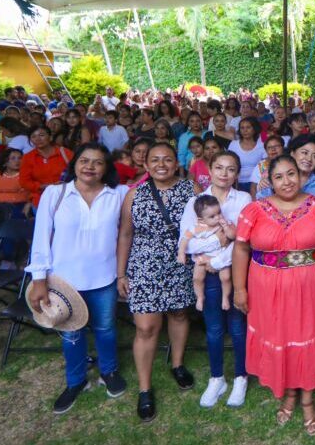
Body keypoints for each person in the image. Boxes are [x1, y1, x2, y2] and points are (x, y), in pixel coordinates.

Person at [231, 154, 315, 436]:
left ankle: (307, 400)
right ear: (269, 181)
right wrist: (239, 288)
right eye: (279, 176)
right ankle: (289, 394)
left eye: (291, 173)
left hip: (313, 287)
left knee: (307, 334)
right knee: (280, 335)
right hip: (266, 289)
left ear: (300, 174)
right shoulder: (254, 210)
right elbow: (241, 249)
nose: (286, 181)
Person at [26, 143, 129, 414]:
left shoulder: (118, 194)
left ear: (107, 168)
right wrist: (39, 280)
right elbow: (41, 237)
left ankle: (109, 371)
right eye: (84, 161)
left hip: (104, 277)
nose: (90, 167)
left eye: (97, 162)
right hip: (64, 282)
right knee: (70, 333)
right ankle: (76, 381)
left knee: (106, 329)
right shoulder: (55, 193)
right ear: (74, 164)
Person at [116, 142, 199, 422]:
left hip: (180, 262)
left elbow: (207, 224)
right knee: (146, 327)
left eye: (167, 159)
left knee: (178, 314)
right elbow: (125, 235)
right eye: (155, 159)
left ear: (177, 163)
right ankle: (144, 388)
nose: (161, 164)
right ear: (146, 164)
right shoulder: (134, 194)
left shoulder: (192, 189)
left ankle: (177, 364)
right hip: (144, 265)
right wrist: (121, 273)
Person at [179, 150, 252, 408]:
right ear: (209, 170)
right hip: (206, 271)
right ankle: (217, 377)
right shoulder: (196, 201)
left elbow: (243, 238)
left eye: (231, 169)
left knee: (237, 325)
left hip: (235, 271)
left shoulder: (243, 198)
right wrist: (208, 252)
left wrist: (217, 261)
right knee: (213, 327)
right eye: (219, 167)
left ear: (237, 173)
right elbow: (185, 240)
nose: (224, 173)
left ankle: (241, 376)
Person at [177, 196, 232, 312]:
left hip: (220, 255)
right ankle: (200, 297)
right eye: (212, 216)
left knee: (226, 277)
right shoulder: (197, 228)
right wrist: (181, 253)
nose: (217, 217)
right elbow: (184, 239)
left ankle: (225, 298)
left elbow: (232, 236)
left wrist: (226, 227)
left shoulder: (224, 223)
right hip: (202, 257)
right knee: (197, 278)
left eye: (219, 213)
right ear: (201, 219)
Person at [19, 125, 74, 208]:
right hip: (41, 200)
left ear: (50, 137)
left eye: (41, 135)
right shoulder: (28, 157)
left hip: (67, 198)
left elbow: (78, 173)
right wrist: (42, 186)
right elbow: (24, 181)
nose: (38, 139)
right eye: (33, 136)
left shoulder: (65, 153)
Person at [228, 117, 266, 193]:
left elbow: (264, 167)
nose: (245, 130)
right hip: (237, 183)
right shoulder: (233, 145)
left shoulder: (262, 145)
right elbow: (229, 163)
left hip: (257, 183)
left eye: (248, 127)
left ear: (254, 129)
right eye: (242, 128)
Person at [249, 134, 286, 199]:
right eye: (269, 148)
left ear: (282, 147)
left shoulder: (290, 163)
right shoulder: (261, 165)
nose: (273, 149)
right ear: (266, 151)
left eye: (276, 146)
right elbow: (253, 187)